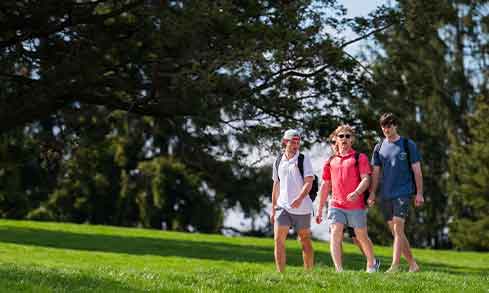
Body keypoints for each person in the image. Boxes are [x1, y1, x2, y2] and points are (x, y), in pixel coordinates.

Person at [316, 125, 380, 272]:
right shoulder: (331, 161)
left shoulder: (359, 158)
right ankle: (339, 270)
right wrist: (319, 209)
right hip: (336, 205)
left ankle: (371, 263)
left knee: (361, 236)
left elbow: (366, 179)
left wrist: (357, 192)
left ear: (352, 140)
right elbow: (325, 186)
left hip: (356, 206)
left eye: (347, 136)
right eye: (341, 136)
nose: (344, 139)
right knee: (335, 233)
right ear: (336, 139)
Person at [369, 113, 424, 273]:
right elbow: (376, 173)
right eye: (383, 126)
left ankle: (395, 265)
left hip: (403, 193)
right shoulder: (379, 147)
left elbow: (417, 171)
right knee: (396, 232)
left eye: (389, 125)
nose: (386, 129)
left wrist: (419, 193)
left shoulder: (408, 144)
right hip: (385, 195)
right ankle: (413, 265)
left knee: (398, 228)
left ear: (396, 126)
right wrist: (372, 193)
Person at [271, 129, 314, 272]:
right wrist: (273, 209)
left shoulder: (303, 159)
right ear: (285, 142)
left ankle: (309, 273)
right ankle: (280, 274)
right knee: (278, 240)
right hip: (282, 207)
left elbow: (309, 182)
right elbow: (276, 185)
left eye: (298, 142)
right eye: (292, 142)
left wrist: (300, 198)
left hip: (302, 208)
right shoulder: (278, 161)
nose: (296, 145)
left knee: (304, 240)